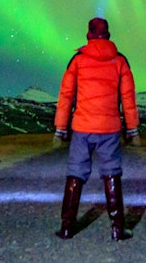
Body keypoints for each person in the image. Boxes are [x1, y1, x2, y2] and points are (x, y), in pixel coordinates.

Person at [53, 16, 140, 241]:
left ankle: (66, 227)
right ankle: (117, 228)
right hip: (109, 128)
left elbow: (66, 95)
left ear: (88, 34)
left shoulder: (78, 61)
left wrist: (60, 128)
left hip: (82, 127)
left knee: (75, 173)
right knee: (111, 173)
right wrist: (132, 129)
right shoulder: (119, 61)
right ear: (108, 34)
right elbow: (128, 98)